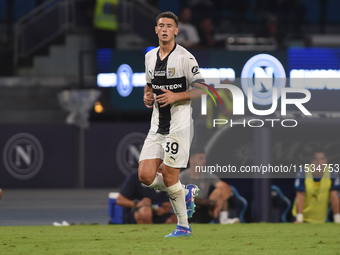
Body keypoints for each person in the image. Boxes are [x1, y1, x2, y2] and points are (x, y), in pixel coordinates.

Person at [138, 11, 206, 237]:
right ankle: (183, 192)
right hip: (157, 126)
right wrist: (147, 96)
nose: (165, 29)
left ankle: (184, 226)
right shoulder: (149, 57)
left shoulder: (185, 58)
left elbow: (203, 90)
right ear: (156, 30)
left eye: (169, 25)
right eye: (161, 25)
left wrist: (175, 96)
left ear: (176, 31)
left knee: (169, 175)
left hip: (180, 125)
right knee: (145, 176)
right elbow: (149, 86)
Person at [179, 148, 240, 224]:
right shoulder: (182, 177)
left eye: (204, 158)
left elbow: (226, 187)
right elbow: (184, 198)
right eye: (200, 158)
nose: (204, 161)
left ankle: (224, 220)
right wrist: (209, 202)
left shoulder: (207, 175)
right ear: (191, 160)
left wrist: (220, 199)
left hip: (204, 210)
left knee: (220, 191)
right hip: (187, 210)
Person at [292, 150, 340, 223]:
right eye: (316, 159)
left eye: (322, 159)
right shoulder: (303, 172)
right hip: (301, 218)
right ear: (311, 161)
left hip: (320, 220)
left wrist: (337, 220)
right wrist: (299, 218)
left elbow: (334, 196)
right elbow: (300, 195)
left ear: (326, 160)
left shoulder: (332, 172)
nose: (319, 162)